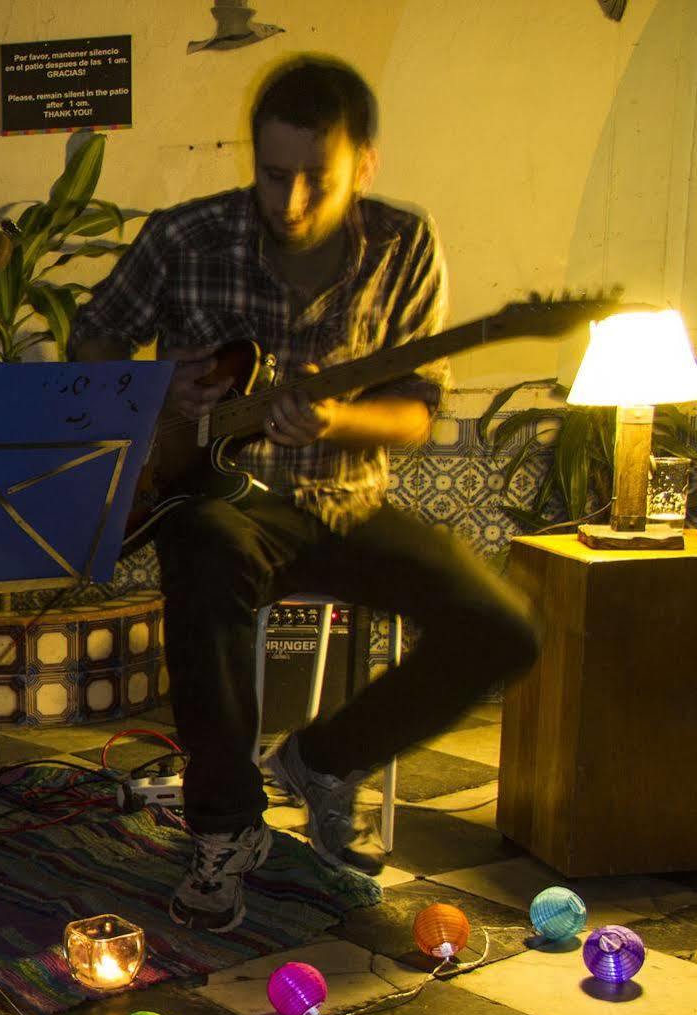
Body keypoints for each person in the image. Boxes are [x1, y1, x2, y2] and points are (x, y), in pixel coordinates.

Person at [69, 56, 538, 931]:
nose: (286, 202)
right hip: (221, 502)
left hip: (344, 502)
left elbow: (414, 416)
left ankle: (323, 759)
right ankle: (224, 827)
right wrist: (153, 385)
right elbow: (87, 341)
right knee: (202, 557)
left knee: (503, 627)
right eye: (270, 175)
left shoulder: (403, 244)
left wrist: (334, 421)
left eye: (312, 180)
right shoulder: (184, 237)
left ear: (364, 165)